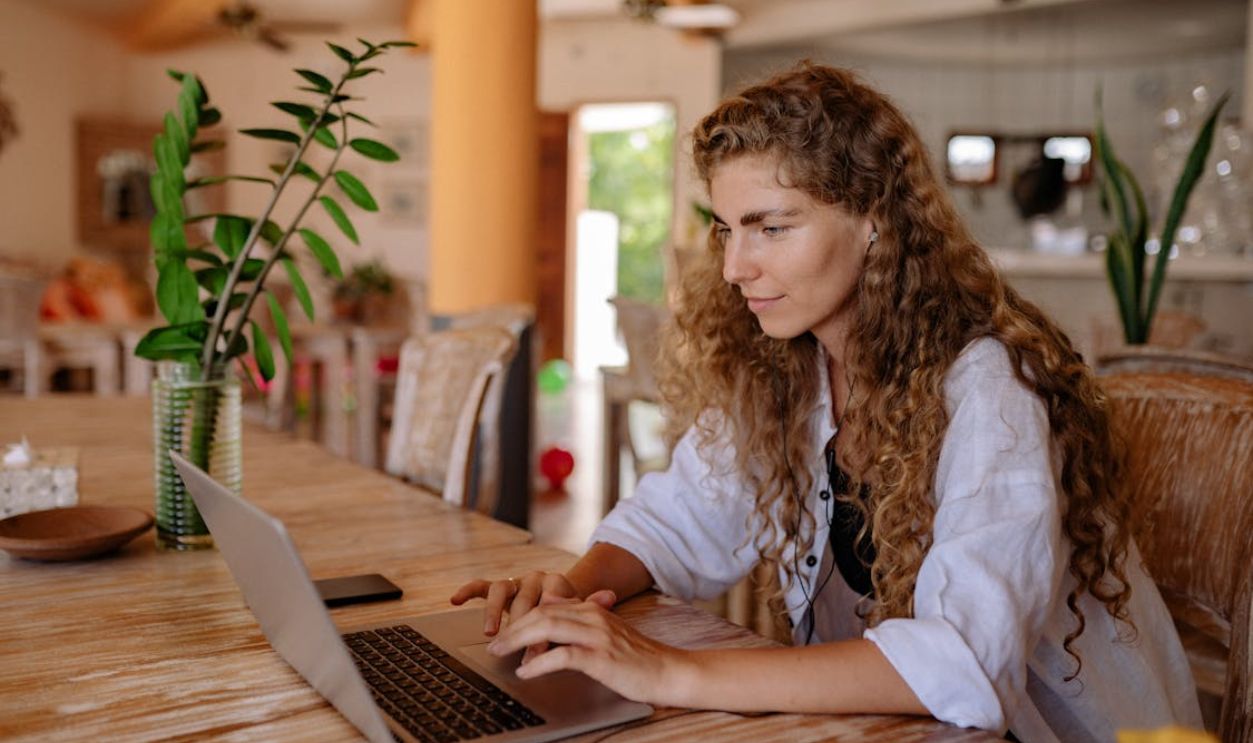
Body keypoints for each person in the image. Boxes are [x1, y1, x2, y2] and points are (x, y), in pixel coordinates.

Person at [450, 63, 1202, 741]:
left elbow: (962, 660)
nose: (737, 267)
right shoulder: (789, 369)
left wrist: (668, 671)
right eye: (725, 230)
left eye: (770, 227)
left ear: (874, 218)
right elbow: (673, 522)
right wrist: (566, 598)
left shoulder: (989, 386)